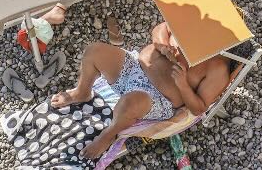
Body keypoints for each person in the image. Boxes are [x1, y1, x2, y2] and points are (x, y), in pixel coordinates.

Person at [52, 37, 205, 162]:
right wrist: (163, 45)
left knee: (130, 103)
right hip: (135, 68)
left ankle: (109, 134)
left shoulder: (218, 67)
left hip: (159, 98)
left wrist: (183, 85)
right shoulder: (187, 24)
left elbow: (199, 109)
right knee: (94, 51)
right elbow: (159, 30)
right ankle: (82, 92)